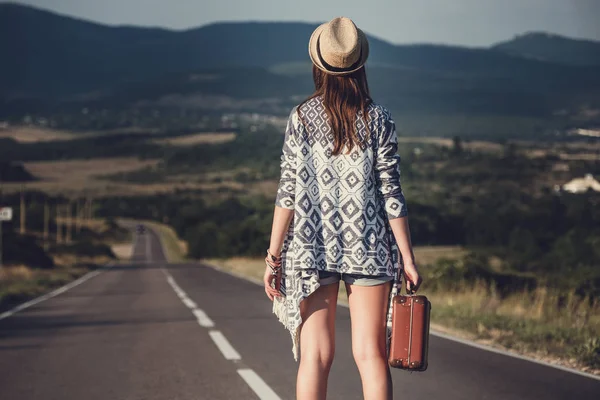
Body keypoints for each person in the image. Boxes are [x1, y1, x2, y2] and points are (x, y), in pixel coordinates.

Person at [264, 16, 422, 400]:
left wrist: (273, 256)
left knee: (315, 356)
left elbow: (288, 191)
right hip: (369, 247)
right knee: (371, 355)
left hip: (311, 249)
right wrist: (407, 256)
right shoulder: (380, 118)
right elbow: (392, 193)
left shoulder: (301, 118)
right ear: (360, 66)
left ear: (319, 66)